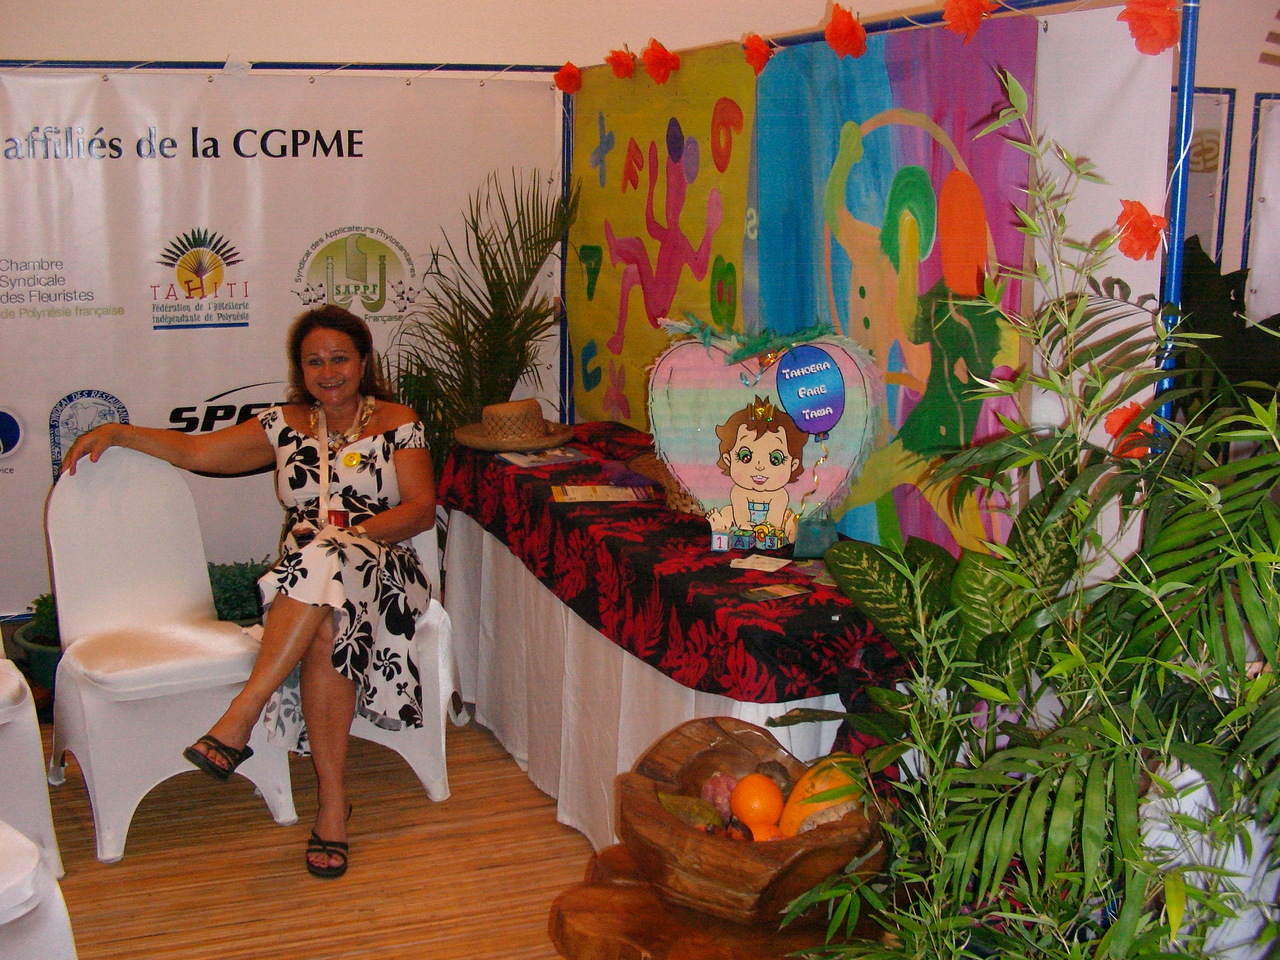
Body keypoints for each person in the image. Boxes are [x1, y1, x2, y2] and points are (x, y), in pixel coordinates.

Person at [61, 304, 436, 880]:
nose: (328, 372)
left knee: (325, 560)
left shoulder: (397, 421)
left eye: (339, 359)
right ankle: (332, 804)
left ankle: (241, 715)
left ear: (364, 362)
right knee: (325, 622)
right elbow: (196, 451)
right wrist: (118, 432)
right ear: (300, 370)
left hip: (385, 569)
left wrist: (348, 536)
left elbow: (420, 510)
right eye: (314, 362)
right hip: (309, 587)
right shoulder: (284, 424)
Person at [705, 395, 806, 543]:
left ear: (793, 465)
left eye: (775, 459)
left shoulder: (780, 495)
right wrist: (745, 527)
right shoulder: (738, 491)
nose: (759, 467)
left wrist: (765, 530)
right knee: (728, 511)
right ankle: (720, 525)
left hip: (771, 528)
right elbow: (741, 519)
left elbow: (774, 521)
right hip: (742, 527)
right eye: (745, 457)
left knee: (788, 517)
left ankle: (792, 531)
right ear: (728, 460)